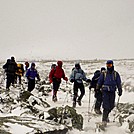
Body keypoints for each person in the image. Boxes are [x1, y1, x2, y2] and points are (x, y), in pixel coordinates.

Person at [96, 60, 122, 126]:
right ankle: (104, 120)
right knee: (106, 106)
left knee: (111, 106)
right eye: (107, 65)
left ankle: (106, 116)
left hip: (112, 91)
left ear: (112, 65)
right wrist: (97, 88)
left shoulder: (116, 74)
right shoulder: (104, 74)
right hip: (105, 92)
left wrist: (120, 89)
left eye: (110, 65)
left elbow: (118, 83)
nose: (108, 66)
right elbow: (100, 81)